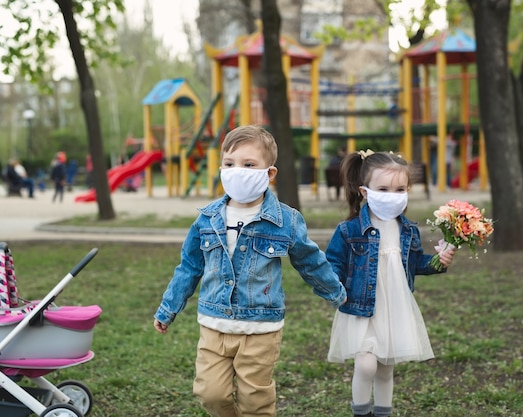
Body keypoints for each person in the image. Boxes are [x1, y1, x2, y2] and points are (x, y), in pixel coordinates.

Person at [153, 125, 346, 417]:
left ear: (269, 173)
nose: (237, 171)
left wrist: (335, 293)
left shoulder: (286, 220)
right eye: (229, 164)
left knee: (255, 402)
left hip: (260, 329)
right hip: (214, 324)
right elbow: (190, 266)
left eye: (248, 164)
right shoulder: (207, 219)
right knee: (210, 395)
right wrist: (168, 309)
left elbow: (310, 261)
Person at [325, 150, 456, 417]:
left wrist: (438, 261)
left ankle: (383, 413)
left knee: (385, 368)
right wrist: (334, 287)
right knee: (366, 365)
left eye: (399, 189)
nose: (392, 195)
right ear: (365, 191)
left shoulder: (408, 230)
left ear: (408, 190)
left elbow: (416, 262)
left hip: (394, 307)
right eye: (383, 188)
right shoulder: (348, 230)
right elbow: (333, 263)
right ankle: (360, 413)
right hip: (361, 308)